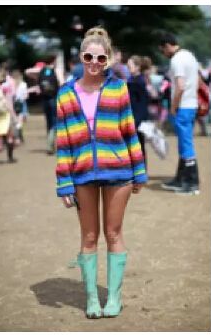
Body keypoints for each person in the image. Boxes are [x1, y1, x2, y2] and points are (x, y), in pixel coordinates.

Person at [54, 27, 147, 319]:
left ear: (107, 59)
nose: (94, 62)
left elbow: (130, 131)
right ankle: (92, 298)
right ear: (81, 57)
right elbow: (63, 142)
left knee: (113, 232)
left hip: (119, 171)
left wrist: (140, 171)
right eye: (88, 56)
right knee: (90, 236)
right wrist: (64, 182)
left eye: (100, 57)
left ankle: (114, 298)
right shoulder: (66, 94)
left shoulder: (119, 88)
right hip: (82, 174)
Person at [158, 32, 200, 195]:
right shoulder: (189, 55)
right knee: (185, 143)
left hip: (183, 106)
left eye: (163, 50)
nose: (164, 54)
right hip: (192, 104)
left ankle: (191, 183)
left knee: (186, 145)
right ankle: (181, 178)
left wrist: (173, 106)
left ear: (167, 46)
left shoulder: (177, 60)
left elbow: (180, 86)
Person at [127, 55, 152, 165]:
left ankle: (141, 169)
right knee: (137, 145)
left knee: (139, 145)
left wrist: (138, 120)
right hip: (136, 116)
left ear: (137, 67)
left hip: (138, 118)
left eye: (130, 66)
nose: (128, 69)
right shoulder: (134, 80)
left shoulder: (137, 82)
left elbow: (142, 103)